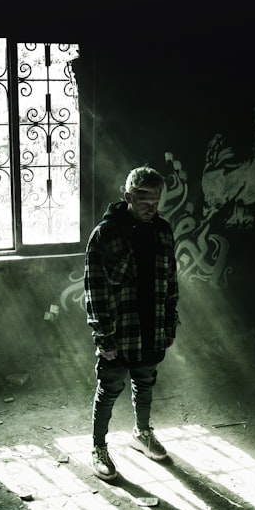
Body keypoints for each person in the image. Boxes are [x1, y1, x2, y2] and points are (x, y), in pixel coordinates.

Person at [83, 165, 179, 481]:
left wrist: (169, 324)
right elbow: (94, 287)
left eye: (155, 201)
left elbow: (171, 282)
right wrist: (103, 335)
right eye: (143, 200)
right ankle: (98, 446)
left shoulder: (164, 231)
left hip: (151, 330)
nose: (150, 208)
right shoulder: (105, 234)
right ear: (128, 197)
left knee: (145, 381)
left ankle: (141, 433)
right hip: (119, 331)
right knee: (109, 388)